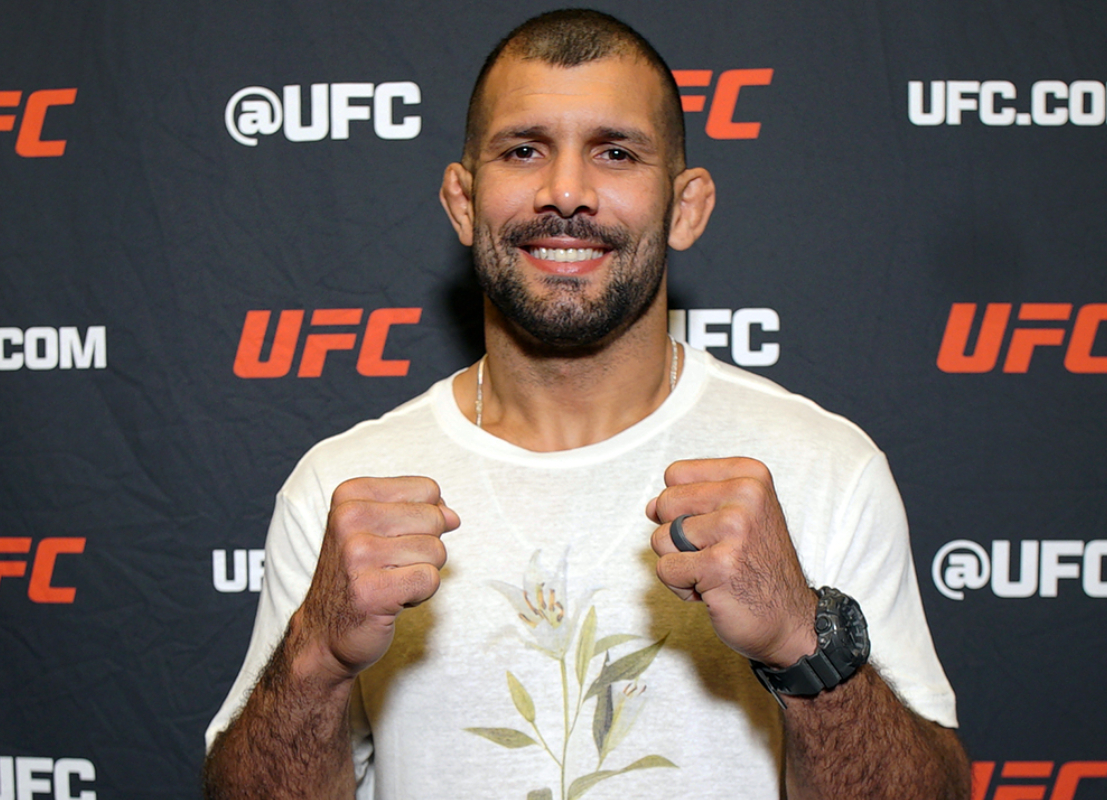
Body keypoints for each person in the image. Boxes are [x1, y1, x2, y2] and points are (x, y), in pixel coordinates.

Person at [203, 9, 970, 799]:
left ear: (687, 207)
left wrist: (802, 638)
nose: (565, 190)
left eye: (615, 152)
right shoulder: (343, 485)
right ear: (464, 202)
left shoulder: (825, 468)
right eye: (524, 149)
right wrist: (317, 658)